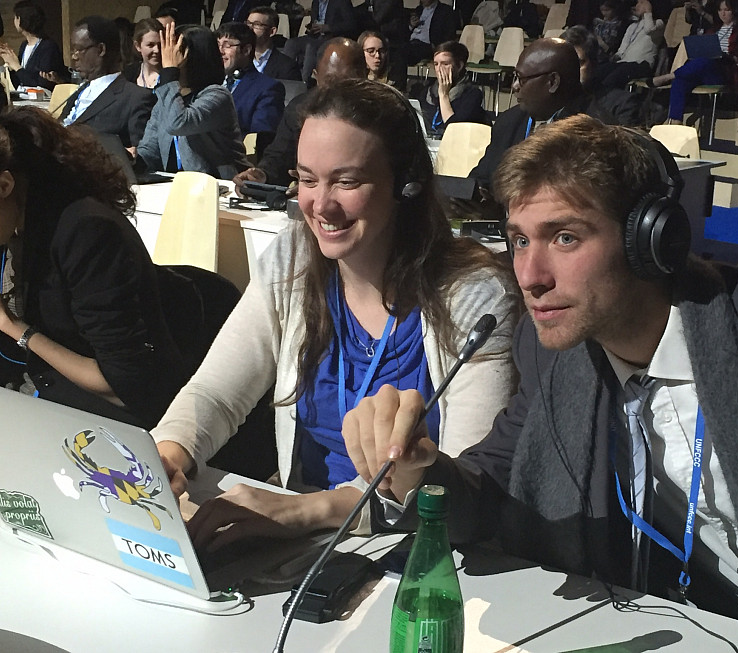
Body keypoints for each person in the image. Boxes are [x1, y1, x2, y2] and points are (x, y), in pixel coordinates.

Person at [342, 114, 738, 652]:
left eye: (565, 237)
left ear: (651, 238)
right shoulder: (550, 354)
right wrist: (418, 469)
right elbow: (490, 494)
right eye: (520, 240)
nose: (530, 276)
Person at [152, 78, 520, 548]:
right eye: (307, 179)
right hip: (298, 529)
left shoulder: (475, 296)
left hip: (416, 545)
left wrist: (312, 509)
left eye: (346, 181)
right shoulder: (292, 259)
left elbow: (466, 484)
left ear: (405, 183)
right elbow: (216, 394)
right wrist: (168, 454)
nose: (320, 204)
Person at [0, 107, 185, 429]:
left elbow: (124, 385)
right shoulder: (19, 223)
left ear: (5, 185)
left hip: (108, 421)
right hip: (44, 398)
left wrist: (16, 328)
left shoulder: (87, 232)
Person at [469, 38, 623, 192]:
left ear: (552, 82)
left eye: (520, 79)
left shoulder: (595, 132)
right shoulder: (508, 121)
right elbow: (481, 178)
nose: (514, 86)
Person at [233, 37, 366, 194]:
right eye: (331, 81)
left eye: (349, 81)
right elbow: (280, 156)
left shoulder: (382, 112)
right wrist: (262, 174)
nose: (339, 90)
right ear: (316, 76)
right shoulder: (300, 107)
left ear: (364, 76)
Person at [137, 24, 250, 180]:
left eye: (175, 52)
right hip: (174, 186)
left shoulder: (217, 95)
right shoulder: (167, 98)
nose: (166, 57)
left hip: (219, 187)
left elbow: (178, 123)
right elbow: (150, 150)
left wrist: (170, 72)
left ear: (194, 56)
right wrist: (131, 159)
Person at [58, 16, 155, 150]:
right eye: (73, 50)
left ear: (101, 50)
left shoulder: (135, 98)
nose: (74, 57)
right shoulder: (82, 90)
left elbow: (141, 155)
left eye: (79, 49)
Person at [653, 0, 738, 125]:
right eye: (720, 10)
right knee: (681, 80)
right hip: (705, 69)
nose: (723, 13)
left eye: (727, 10)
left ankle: (668, 76)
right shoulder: (713, 31)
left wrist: (732, 58)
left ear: (734, 11)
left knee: (704, 60)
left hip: (724, 72)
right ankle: (676, 120)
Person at [215, 22, 284, 154]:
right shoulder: (209, 82)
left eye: (227, 45)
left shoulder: (268, 88)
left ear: (246, 50)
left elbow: (259, 139)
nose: (220, 51)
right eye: (218, 44)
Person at [561, 25, 645, 126]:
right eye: (564, 63)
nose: (571, 69)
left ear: (593, 63)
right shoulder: (547, 103)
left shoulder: (623, 104)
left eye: (578, 63)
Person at [416, 40, 488, 137]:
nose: (439, 69)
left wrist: (444, 95)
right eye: (436, 64)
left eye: (445, 64)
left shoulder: (472, 94)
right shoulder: (427, 93)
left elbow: (454, 130)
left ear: (459, 66)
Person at [282, 0, 357, 83]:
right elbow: (315, 21)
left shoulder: (341, 2)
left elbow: (350, 24)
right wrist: (311, 27)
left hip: (333, 37)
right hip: (316, 35)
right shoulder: (316, 2)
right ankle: (285, 78)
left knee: (311, 46)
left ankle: (304, 83)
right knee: (291, 43)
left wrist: (329, 27)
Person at [0, 0, 68, 91]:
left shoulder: (48, 47)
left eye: (15, 18)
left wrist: (17, 66)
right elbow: (20, 82)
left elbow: (41, 83)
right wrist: (11, 65)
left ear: (19, 19)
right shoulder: (24, 45)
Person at [595, 0, 664, 89]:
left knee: (613, 78)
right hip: (624, 62)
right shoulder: (632, 26)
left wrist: (648, 11)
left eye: (641, 2)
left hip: (642, 64)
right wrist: (616, 56)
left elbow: (649, 29)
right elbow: (622, 48)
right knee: (599, 72)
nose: (637, 5)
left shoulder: (659, 23)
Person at [245, 6, 297, 80]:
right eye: (248, 23)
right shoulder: (239, 59)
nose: (250, 28)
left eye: (257, 24)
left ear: (272, 31)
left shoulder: (287, 66)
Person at [123, 18, 163, 89]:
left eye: (160, 45)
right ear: (138, 46)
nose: (157, 50)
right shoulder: (129, 74)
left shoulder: (168, 76)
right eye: (150, 45)